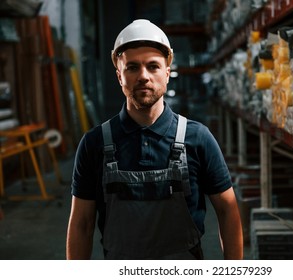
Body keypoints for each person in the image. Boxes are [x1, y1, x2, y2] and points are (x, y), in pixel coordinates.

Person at [66, 19, 243, 260]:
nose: (143, 76)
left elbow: (228, 211)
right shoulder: (94, 144)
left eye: (153, 66)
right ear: (119, 76)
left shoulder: (197, 138)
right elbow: (82, 224)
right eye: (132, 67)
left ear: (167, 73)